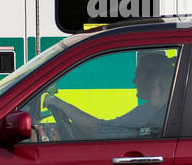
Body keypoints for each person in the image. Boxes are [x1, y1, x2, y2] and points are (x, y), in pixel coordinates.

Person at [43, 51, 175, 140]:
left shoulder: (153, 113)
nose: (134, 81)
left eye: (137, 75)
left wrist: (61, 104)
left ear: (153, 80)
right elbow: (105, 127)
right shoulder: (150, 109)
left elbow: (97, 129)